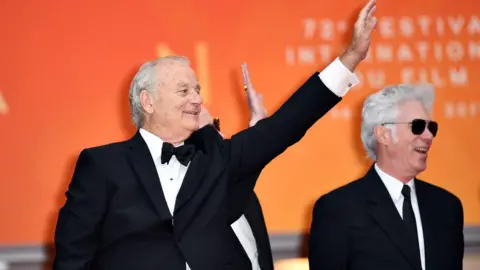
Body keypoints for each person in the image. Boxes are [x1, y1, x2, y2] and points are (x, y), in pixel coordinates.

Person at [53, 1, 376, 269]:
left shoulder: (218, 158)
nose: (196, 99)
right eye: (183, 90)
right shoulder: (102, 163)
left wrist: (350, 58)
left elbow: (286, 125)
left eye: (197, 90)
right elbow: (73, 256)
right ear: (147, 101)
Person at [308, 83, 464, 270]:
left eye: (432, 127)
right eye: (418, 126)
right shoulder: (338, 210)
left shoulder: (447, 207)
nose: (428, 136)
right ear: (383, 134)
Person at [198, 63, 273, 270]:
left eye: (216, 126)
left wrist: (260, 128)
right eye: (207, 135)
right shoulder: (181, 212)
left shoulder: (245, 196)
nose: (221, 137)